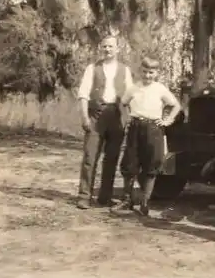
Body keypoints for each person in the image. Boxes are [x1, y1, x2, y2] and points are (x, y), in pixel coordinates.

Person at [115, 56, 181, 216]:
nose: (147, 76)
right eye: (144, 72)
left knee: (152, 165)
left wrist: (168, 120)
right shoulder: (133, 88)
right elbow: (122, 103)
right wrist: (127, 118)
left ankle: (145, 202)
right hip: (135, 126)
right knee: (130, 163)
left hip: (154, 129)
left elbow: (176, 105)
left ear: (156, 73)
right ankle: (126, 200)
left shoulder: (160, 89)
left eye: (151, 72)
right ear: (140, 71)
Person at [76, 35, 134, 209]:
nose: (107, 50)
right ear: (100, 48)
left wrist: (129, 117)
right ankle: (84, 196)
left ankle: (104, 197)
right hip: (96, 115)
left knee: (111, 158)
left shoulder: (125, 70)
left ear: (117, 49)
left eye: (111, 47)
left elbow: (130, 95)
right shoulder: (92, 68)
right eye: (104, 46)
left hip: (117, 116)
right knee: (90, 156)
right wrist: (85, 117)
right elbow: (83, 95)